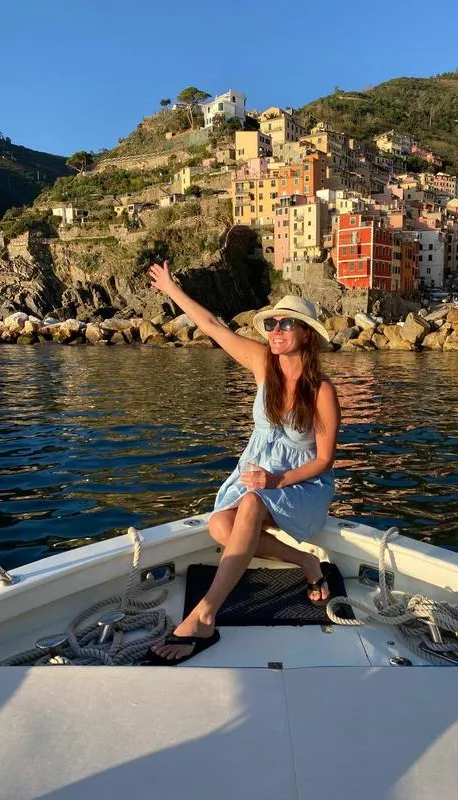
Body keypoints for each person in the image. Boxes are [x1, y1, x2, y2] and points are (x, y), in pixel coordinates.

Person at [145, 261, 341, 666]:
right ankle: (306, 561)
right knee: (220, 525)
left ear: (307, 334)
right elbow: (213, 326)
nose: (276, 331)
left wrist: (277, 480)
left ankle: (205, 615)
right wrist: (171, 288)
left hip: (300, 483)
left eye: (287, 324)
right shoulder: (262, 364)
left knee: (250, 504)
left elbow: (324, 460)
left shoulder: (321, 391)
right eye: (272, 324)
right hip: (258, 474)